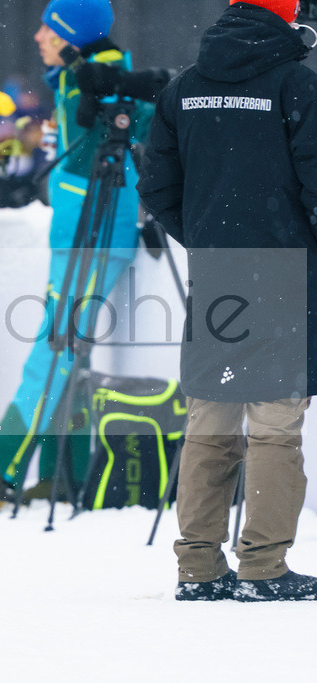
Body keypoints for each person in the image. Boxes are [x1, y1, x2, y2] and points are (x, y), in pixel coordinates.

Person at [138, 0, 317, 601]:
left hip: (218, 274)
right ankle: (262, 567)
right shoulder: (296, 83)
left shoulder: (185, 87)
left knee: (210, 420)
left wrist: (212, 238)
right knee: (274, 427)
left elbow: (158, 185)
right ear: (287, 15)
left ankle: (198, 566)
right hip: (286, 270)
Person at [0, 0, 149, 511]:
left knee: (53, 350)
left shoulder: (100, 82)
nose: (37, 36)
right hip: (82, 230)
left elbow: (126, 140)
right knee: (67, 352)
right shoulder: (75, 79)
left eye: (48, 29)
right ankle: (65, 472)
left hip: (92, 234)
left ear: (70, 36)